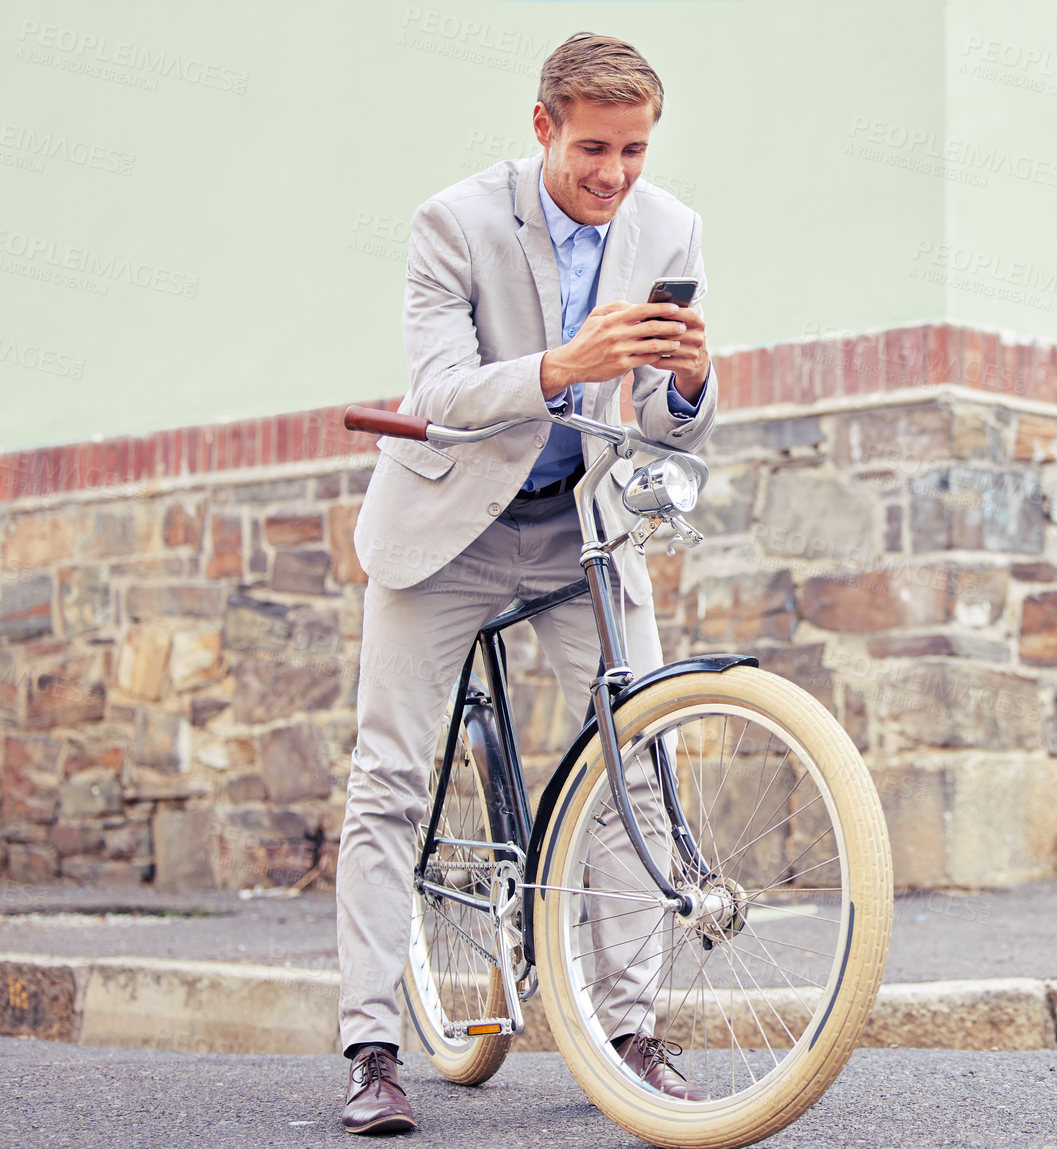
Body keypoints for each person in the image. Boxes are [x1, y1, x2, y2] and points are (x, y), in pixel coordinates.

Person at [336, 33, 718, 1135]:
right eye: (593, 147)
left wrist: (688, 381)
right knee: (390, 781)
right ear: (544, 126)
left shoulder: (669, 229)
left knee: (637, 763)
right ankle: (371, 1049)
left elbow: (656, 419)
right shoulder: (451, 223)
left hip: (576, 531)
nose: (613, 175)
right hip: (446, 524)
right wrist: (562, 364)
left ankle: (632, 1033)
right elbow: (444, 391)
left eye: (634, 151)